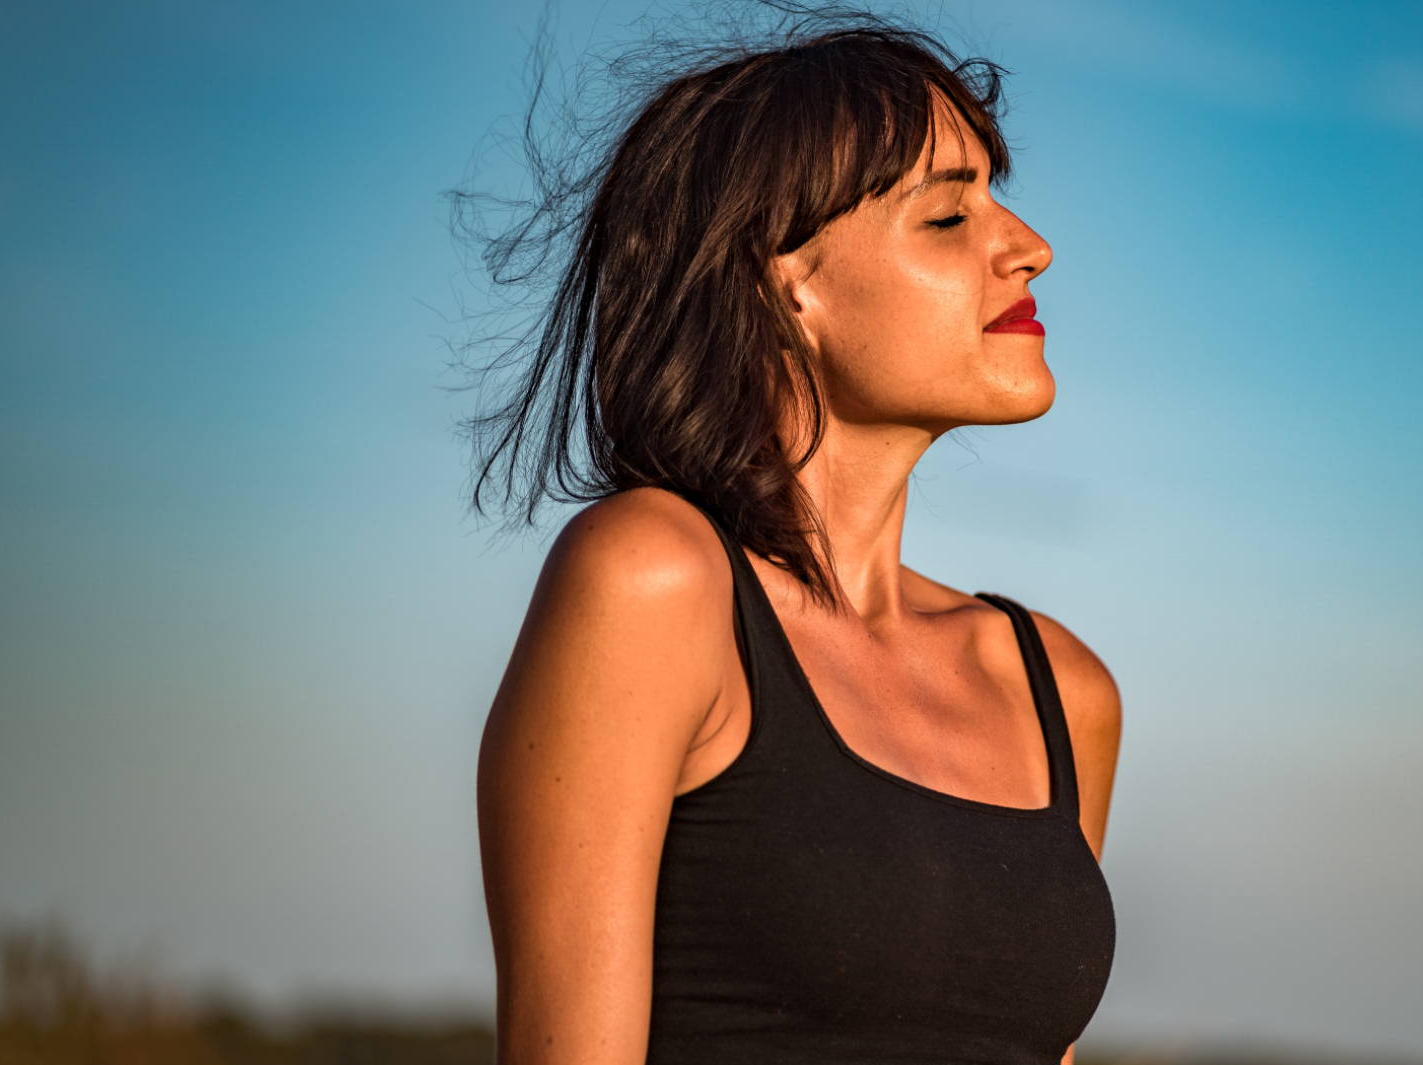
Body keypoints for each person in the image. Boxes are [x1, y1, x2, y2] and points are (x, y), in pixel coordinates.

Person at [461, 8, 1122, 1064]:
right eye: (947, 221)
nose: (1029, 249)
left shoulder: (1057, 688)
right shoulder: (652, 583)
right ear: (789, 282)